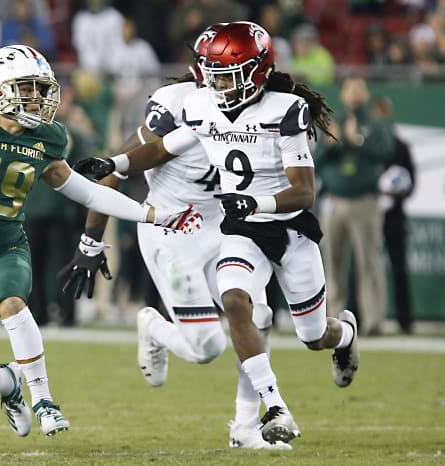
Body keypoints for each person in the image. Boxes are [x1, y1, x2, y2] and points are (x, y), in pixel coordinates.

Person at [0, 44, 200, 438]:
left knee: (13, 303)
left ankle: (44, 401)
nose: (38, 98)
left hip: (6, 248)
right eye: (27, 88)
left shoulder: (47, 140)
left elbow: (89, 193)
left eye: (40, 89)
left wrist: (151, 213)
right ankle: (11, 383)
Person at [72, 22, 360, 444]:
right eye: (210, 71)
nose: (214, 82)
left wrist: (255, 204)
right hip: (175, 225)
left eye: (225, 73)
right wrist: (112, 169)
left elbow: (303, 190)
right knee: (208, 345)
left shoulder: (284, 110)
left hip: (237, 221)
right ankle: (159, 330)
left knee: (291, 328)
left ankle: (247, 424)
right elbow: (157, 149)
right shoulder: (190, 103)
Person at [315, 76, 394, 336]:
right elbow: (315, 160)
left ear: (367, 93)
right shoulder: (332, 122)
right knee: (333, 263)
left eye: (360, 88)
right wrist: (330, 144)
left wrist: (357, 139)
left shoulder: (375, 123)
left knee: (369, 261)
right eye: (350, 88)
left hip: (365, 200)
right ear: (343, 94)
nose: (355, 93)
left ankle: (373, 320)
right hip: (335, 200)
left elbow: (385, 152)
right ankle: (333, 320)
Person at [372, 96, 416, 334]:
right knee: (365, 267)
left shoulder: (401, 147)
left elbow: (412, 183)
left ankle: (405, 320)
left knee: (399, 267)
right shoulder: (366, 144)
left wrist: (394, 194)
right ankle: (360, 315)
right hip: (369, 213)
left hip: (394, 216)